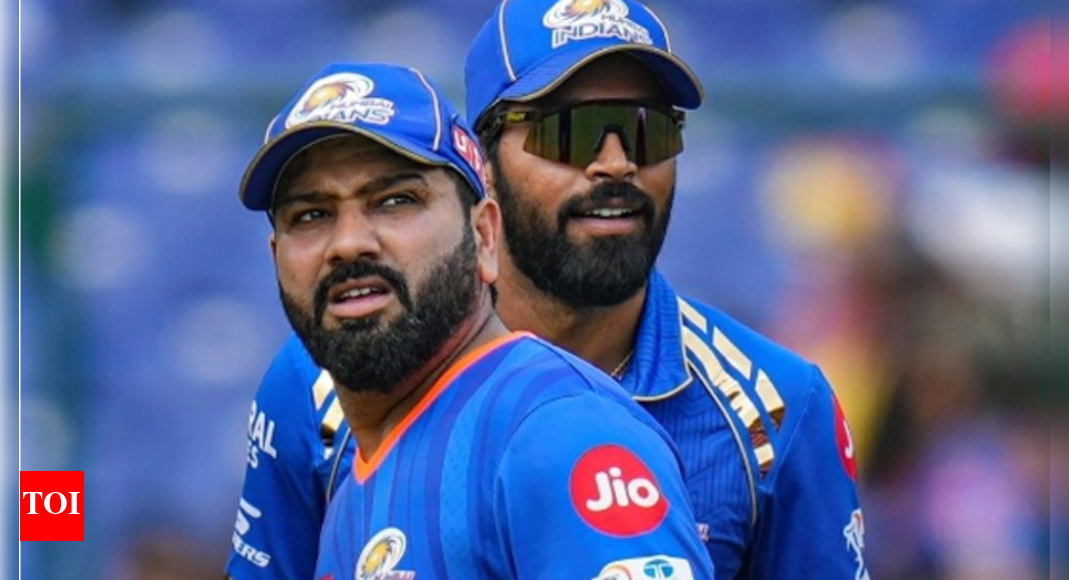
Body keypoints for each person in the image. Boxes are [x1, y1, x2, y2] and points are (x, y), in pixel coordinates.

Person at [226, 1, 866, 579]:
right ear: (481, 168)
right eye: (569, 132)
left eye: (649, 130)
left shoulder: (779, 407)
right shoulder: (327, 384)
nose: (616, 164)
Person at [233, 61, 715, 580]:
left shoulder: (561, 432)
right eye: (311, 214)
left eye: (395, 201)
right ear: (276, 255)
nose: (349, 243)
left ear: (484, 236)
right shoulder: (356, 486)